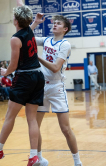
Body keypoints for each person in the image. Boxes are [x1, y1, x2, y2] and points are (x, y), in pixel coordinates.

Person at [0, 0, 45, 166]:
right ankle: (34, 156)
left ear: (15, 21)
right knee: (31, 118)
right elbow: (22, 9)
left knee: (10, 115)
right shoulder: (30, 30)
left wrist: (4, 72)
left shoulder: (16, 38)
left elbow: (14, 65)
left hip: (24, 77)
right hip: (38, 76)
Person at [31, 13, 82, 166]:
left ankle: (77, 162)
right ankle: (39, 159)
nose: (54, 25)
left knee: (65, 128)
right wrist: (34, 23)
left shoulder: (64, 44)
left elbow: (55, 68)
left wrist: (37, 57)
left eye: (58, 23)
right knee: (36, 126)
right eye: (54, 23)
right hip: (41, 86)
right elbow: (26, 37)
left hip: (56, 88)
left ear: (65, 29)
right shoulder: (46, 40)